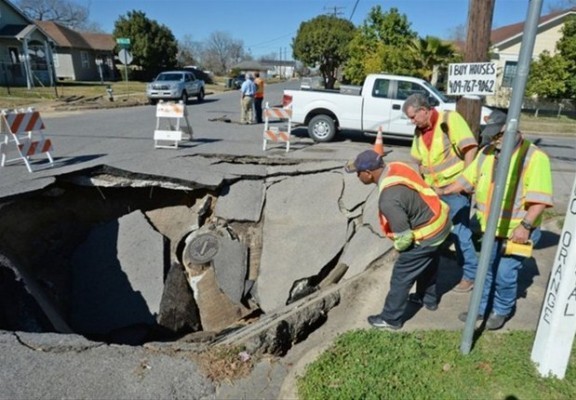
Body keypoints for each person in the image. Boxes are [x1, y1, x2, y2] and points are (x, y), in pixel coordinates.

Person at [439, 110, 553, 330]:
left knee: (504, 273)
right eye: (491, 137)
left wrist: (525, 227)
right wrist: (442, 191)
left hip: (518, 231)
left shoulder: (534, 158)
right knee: (486, 269)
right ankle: (480, 309)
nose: (494, 141)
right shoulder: (487, 153)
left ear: (512, 130)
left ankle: (501, 310)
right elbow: (466, 180)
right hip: (490, 229)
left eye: (497, 136)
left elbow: (539, 200)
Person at [345, 149, 452, 330]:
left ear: (369, 174)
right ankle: (428, 299)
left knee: (402, 274)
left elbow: (404, 237)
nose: (357, 176)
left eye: (358, 173)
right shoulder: (397, 167)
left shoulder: (388, 199)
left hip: (428, 233)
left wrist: (399, 249)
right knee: (429, 262)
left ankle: (391, 319)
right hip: (441, 222)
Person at [402, 93, 479, 293]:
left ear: (424, 110)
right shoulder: (419, 131)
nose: (411, 122)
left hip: (455, 189)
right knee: (441, 232)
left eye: (412, 117)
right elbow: (417, 161)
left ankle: (471, 275)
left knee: (459, 231)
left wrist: (466, 182)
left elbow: (470, 148)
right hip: (433, 192)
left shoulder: (448, 120)